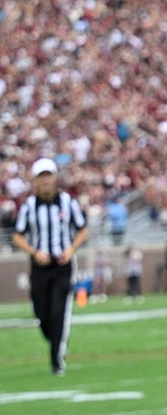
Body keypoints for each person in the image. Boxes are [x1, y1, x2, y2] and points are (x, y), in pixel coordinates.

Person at [12, 158, 89, 376]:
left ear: (55, 178)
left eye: (48, 175)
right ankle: (53, 338)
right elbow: (17, 236)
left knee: (58, 310)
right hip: (40, 266)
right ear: (36, 181)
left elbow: (83, 229)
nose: (46, 180)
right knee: (41, 312)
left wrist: (71, 250)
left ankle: (57, 360)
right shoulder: (29, 206)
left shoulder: (68, 202)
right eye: (41, 176)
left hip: (62, 265)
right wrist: (34, 252)